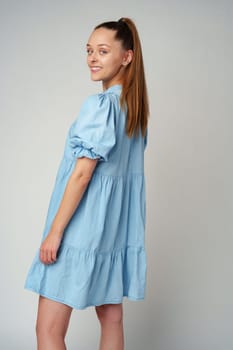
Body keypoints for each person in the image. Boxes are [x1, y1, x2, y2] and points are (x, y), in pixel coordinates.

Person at [24, 17, 149, 350]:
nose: (93, 58)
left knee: (48, 330)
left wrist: (55, 231)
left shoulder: (102, 106)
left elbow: (82, 174)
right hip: (112, 233)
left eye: (103, 51)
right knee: (111, 319)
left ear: (127, 57)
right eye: (90, 50)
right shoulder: (133, 111)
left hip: (80, 230)